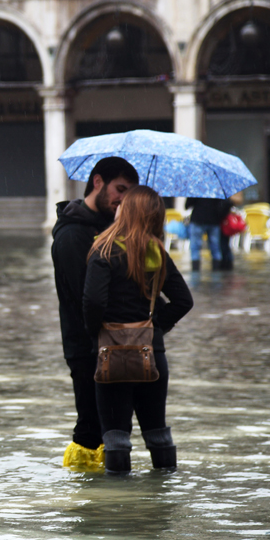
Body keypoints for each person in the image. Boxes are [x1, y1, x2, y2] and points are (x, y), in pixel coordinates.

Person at [82, 186, 193, 474]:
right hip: (150, 353)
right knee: (157, 430)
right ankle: (164, 497)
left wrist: (95, 333)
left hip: (111, 352)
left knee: (116, 436)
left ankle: (123, 507)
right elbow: (183, 300)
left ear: (126, 212)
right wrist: (155, 328)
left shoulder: (103, 250)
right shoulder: (156, 251)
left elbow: (93, 301)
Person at [51, 156, 139, 471]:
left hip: (116, 340)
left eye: (130, 193)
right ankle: (86, 496)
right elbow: (83, 297)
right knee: (90, 425)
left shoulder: (112, 227)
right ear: (97, 182)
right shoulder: (72, 234)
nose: (123, 199)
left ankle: (109, 490)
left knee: (113, 425)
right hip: (86, 346)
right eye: (120, 189)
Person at [186, 197, 232, 271]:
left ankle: (195, 270)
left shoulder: (196, 189)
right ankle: (216, 269)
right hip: (214, 220)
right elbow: (225, 203)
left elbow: (187, 205)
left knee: (195, 247)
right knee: (215, 247)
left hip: (198, 219)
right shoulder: (216, 190)